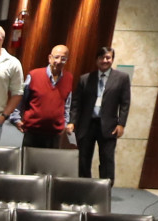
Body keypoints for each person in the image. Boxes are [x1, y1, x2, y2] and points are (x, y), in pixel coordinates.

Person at [69, 45, 130, 182]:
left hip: (109, 126)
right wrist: (72, 121)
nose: (105, 60)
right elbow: (76, 103)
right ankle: (84, 186)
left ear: (112, 59)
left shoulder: (122, 78)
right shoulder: (85, 78)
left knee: (107, 159)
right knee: (83, 158)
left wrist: (121, 124)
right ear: (97, 60)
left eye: (108, 57)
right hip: (87, 124)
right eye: (101, 57)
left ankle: (104, 188)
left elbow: (125, 103)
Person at [13, 44, 71, 150]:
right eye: (56, 57)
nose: (59, 61)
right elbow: (21, 98)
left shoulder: (69, 78)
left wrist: (65, 123)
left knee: (49, 165)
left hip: (55, 134)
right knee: (30, 164)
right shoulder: (34, 75)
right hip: (33, 131)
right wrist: (16, 118)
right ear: (50, 58)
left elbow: (67, 104)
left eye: (63, 58)